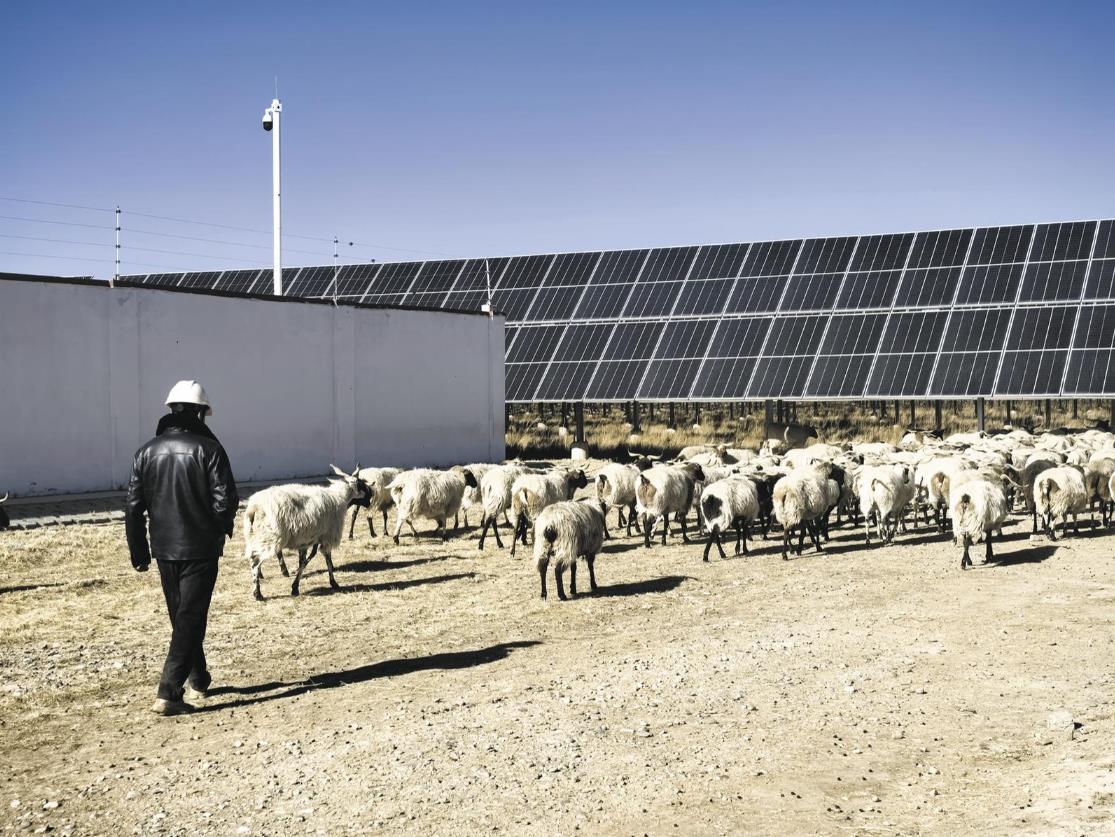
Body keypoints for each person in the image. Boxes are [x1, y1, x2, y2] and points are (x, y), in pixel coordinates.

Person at [125, 380, 239, 715]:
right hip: (200, 549)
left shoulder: (145, 452)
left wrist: (139, 551)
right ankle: (169, 693)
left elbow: (133, 508)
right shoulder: (210, 449)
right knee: (190, 617)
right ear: (200, 412)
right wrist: (217, 530)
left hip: (164, 549)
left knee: (183, 616)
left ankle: (198, 679)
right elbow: (225, 501)